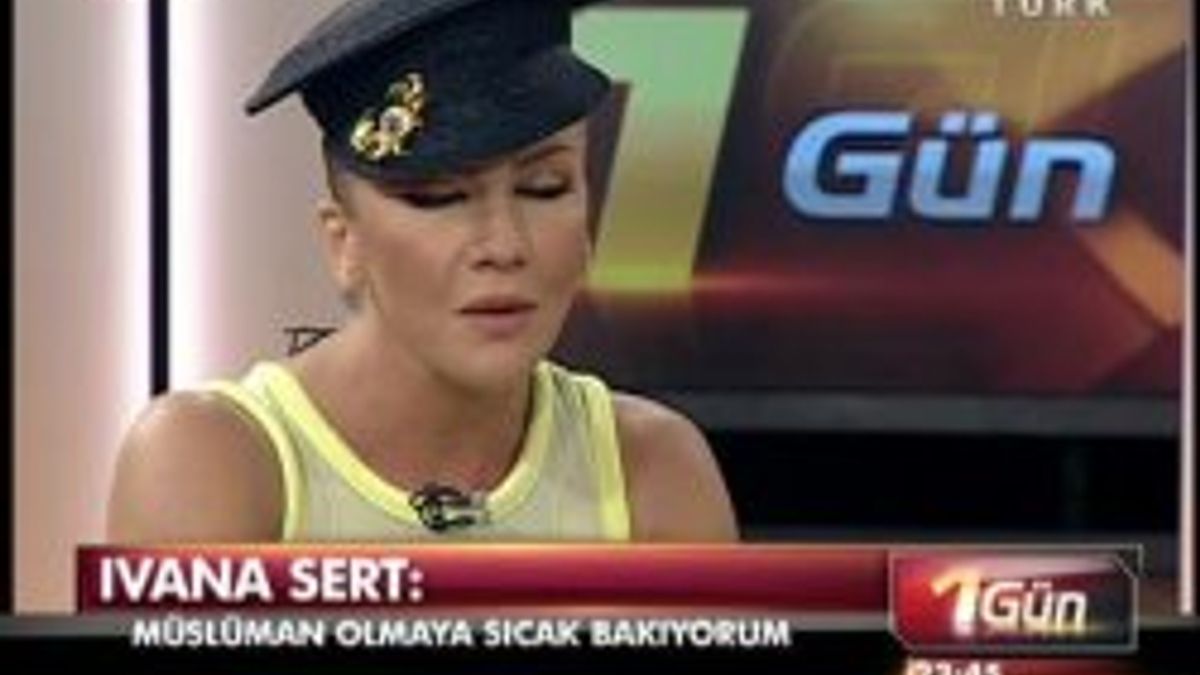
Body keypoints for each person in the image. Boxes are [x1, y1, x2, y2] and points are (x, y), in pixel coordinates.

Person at [107, 0, 737, 543]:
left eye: (544, 188)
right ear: (344, 241)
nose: (504, 246)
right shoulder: (212, 464)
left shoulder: (655, 470)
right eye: (440, 198)